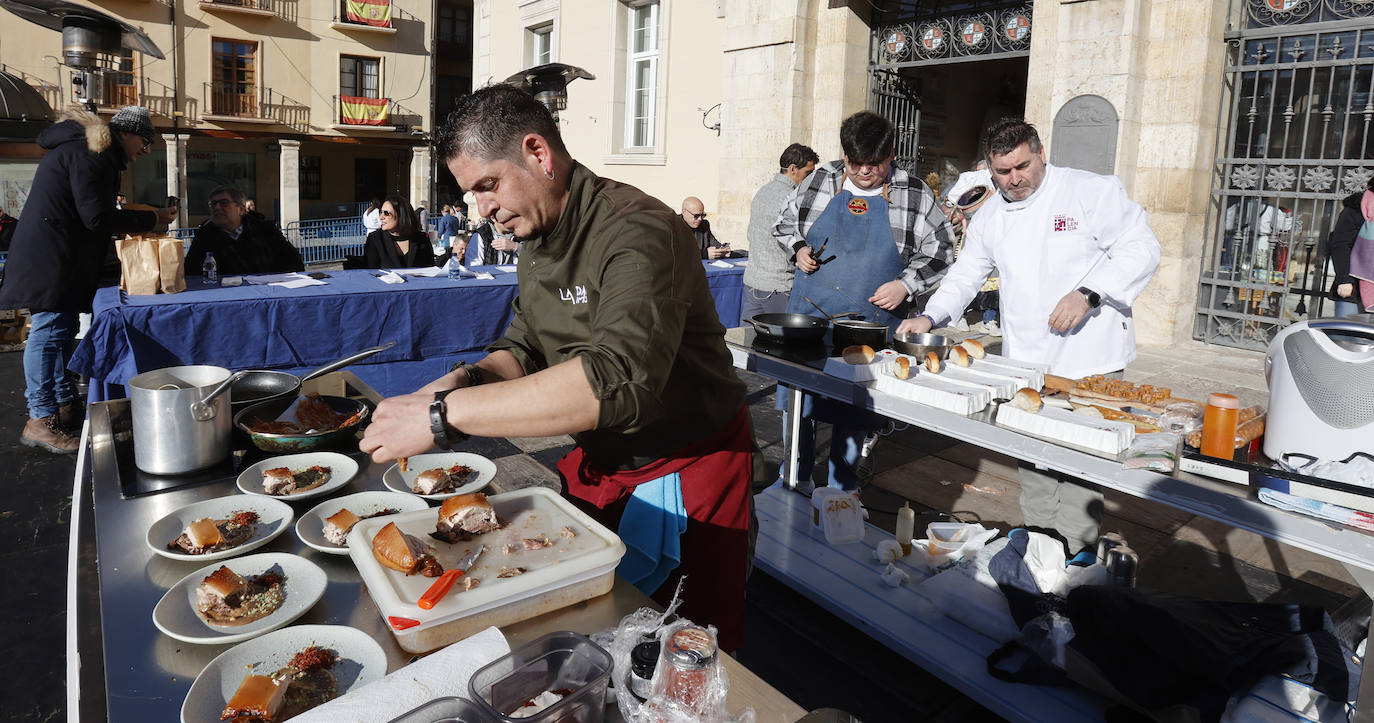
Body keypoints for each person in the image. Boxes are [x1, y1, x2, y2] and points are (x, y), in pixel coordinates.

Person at [359, 84, 753, 651]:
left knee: (686, 651)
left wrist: (446, 416)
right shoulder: (538, 238)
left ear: (538, 154)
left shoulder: (638, 231)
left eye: (488, 186)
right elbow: (524, 349)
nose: (483, 210)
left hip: (691, 469)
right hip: (606, 462)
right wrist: (459, 381)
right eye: (472, 195)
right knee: (590, 630)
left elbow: (619, 382)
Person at [899, 118, 1161, 557]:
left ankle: (1075, 562)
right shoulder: (992, 214)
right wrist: (929, 316)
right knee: (1035, 468)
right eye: (1003, 172)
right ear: (990, 168)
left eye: (1022, 166)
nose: (1014, 179)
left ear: (1041, 154)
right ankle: (1040, 555)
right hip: (1028, 362)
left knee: (1079, 472)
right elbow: (967, 273)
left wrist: (1088, 293)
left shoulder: (1090, 192)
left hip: (1089, 358)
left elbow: (1142, 247)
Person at [772, 111, 956, 492]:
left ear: (891, 155)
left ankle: (843, 491)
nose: (863, 172)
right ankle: (794, 480)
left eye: (873, 164)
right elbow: (783, 224)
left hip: (871, 324)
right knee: (798, 405)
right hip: (809, 316)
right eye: (855, 163)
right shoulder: (820, 180)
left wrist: (905, 285)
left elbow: (941, 252)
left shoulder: (915, 193)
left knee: (853, 412)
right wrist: (799, 248)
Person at [0, 106, 176, 453]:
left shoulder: (91, 153)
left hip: (59, 257)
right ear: (126, 133)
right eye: (145, 139)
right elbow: (96, 216)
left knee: (61, 333)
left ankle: (63, 406)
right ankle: (40, 419)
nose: (148, 149)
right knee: (49, 334)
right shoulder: (90, 154)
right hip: (53, 259)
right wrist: (152, 217)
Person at [740, 143, 819, 322]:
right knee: (782, 344)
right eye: (808, 173)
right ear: (792, 169)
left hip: (753, 281)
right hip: (779, 285)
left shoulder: (763, 190)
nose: (811, 178)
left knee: (750, 341)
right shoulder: (792, 198)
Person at [186, 186, 304, 276]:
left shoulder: (265, 229)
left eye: (224, 203)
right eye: (213, 204)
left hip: (268, 293)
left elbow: (294, 261)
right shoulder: (204, 236)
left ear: (241, 209)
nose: (217, 208)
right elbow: (192, 272)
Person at [1327, 176, 1374, 316]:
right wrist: (1344, 279)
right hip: (1351, 287)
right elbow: (1340, 244)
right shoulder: (1356, 208)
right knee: (1346, 336)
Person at [363, 194, 437, 268]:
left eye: (386, 213)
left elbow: (431, 269)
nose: (381, 217)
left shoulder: (421, 239)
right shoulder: (375, 239)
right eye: (381, 212)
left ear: (401, 214)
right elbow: (369, 272)